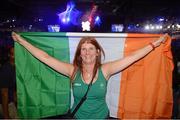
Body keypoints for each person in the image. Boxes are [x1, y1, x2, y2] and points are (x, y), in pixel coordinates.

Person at [12, 32, 167, 119]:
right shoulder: (72, 71)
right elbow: (45, 58)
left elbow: (131, 57)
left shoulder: (106, 70)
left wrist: (155, 44)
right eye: (84, 49)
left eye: (91, 48)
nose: (87, 52)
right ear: (80, 53)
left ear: (97, 52)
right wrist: (22, 41)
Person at [0, 47, 17, 119]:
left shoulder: (15, 67)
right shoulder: (6, 69)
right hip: (6, 104)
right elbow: (4, 93)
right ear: (9, 55)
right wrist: (6, 115)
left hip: (11, 102)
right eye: (13, 54)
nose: (16, 56)